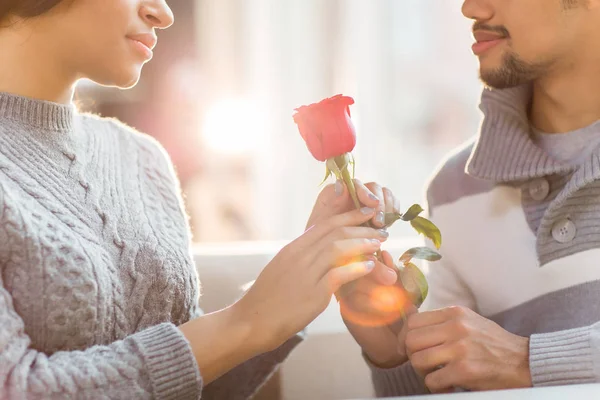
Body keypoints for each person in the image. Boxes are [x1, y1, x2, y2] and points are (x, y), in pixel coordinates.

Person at [0, 1, 403, 399]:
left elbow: (192, 384)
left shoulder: (142, 159)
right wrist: (245, 322)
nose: (164, 13)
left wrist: (293, 287)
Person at [343, 0, 600, 395]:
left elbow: (510, 364)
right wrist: (396, 351)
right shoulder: (455, 188)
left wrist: (526, 361)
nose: (469, 8)